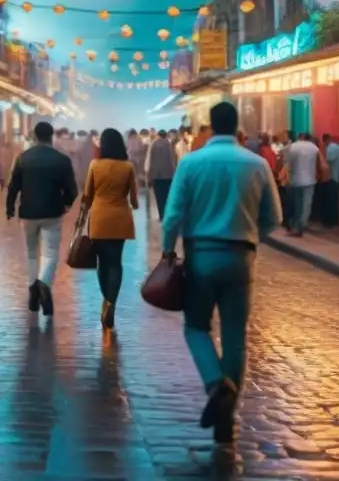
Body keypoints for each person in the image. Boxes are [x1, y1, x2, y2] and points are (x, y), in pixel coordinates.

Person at [162, 101, 281, 447]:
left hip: (200, 256)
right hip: (241, 257)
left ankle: (216, 384)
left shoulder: (191, 163)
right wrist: (252, 235)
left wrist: (169, 251)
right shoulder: (257, 164)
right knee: (234, 334)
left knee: (196, 326)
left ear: (210, 127)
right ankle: (227, 415)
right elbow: (274, 217)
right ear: (237, 126)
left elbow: (172, 216)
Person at [6, 121, 78, 317]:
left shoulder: (23, 158)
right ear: (51, 136)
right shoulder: (62, 159)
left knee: (30, 253)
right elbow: (72, 189)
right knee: (50, 252)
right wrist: (65, 203)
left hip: (28, 213)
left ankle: (32, 291)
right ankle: (44, 284)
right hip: (52, 212)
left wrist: (10, 208)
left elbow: (14, 186)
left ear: (35, 136)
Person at [84, 128, 138, 329]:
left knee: (102, 263)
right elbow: (134, 198)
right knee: (116, 262)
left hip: (98, 219)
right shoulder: (127, 167)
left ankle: (106, 300)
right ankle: (111, 303)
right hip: (120, 219)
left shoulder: (95, 165)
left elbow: (87, 194)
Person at [283, 132, 320, 236]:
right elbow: (320, 162)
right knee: (307, 203)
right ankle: (303, 223)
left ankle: (296, 226)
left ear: (300, 137)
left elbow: (288, 163)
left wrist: (288, 177)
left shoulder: (294, 147)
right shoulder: (314, 147)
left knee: (297, 204)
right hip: (311, 179)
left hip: (296, 179)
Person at [147, 128, 177, 220]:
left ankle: (161, 215)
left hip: (157, 176)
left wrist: (149, 177)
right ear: (166, 135)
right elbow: (174, 160)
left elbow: (150, 162)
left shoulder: (153, 145)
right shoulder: (170, 145)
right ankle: (168, 215)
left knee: (159, 198)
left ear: (158, 135)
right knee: (168, 197)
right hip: (169, 175)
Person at [323, 134, 339, 228]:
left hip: (332, 177)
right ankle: (335, 220)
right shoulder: (338, 147)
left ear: (325, 141)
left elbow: (328, 163)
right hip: (337, 177)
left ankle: (330, 222)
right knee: (335, 200)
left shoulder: (331, 148)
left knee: (330, 201)